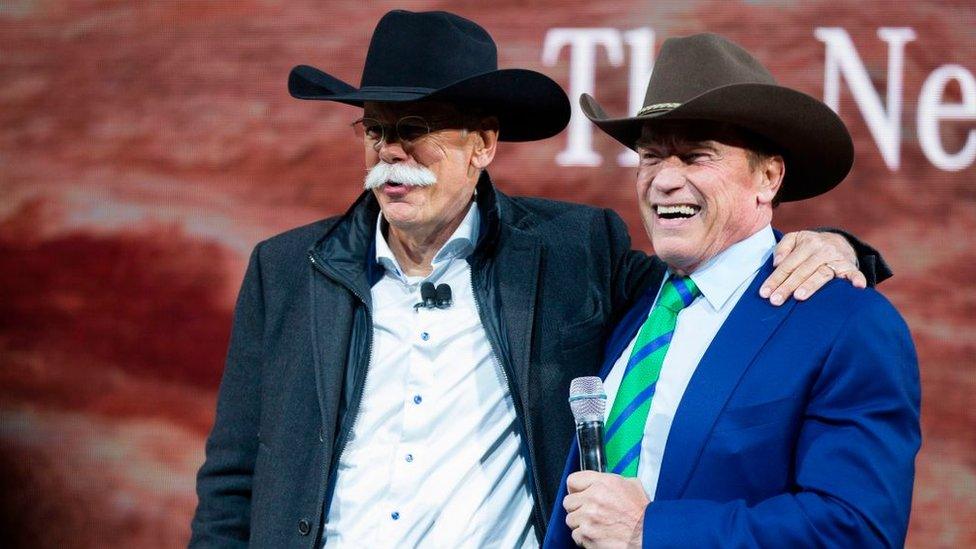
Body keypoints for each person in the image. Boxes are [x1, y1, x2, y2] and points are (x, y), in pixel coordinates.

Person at [189, 12, 888, 547]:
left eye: (417, 127)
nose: (390, 152)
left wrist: (837, 247)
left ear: (483, 145)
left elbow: (718, 278)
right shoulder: (287, 270)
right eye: (374, 130)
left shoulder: (574, 252)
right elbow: (231, 482)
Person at [545, 33, 920, 548]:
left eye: (697, 157)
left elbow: (857, 531)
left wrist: (649, 531)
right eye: (652, 157)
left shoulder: (849, 324)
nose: (665, 181)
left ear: (768, 176)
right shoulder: (627, 299)